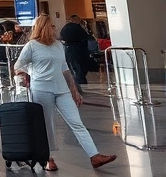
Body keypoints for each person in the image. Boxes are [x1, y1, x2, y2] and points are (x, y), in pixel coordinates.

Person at [14, 15, 117, 171]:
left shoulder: (57, 45)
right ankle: (47, 158)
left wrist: (74, 90)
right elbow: (18, 66)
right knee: (47, 125)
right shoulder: (32, 46)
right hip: (41, 89)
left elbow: (65, 68)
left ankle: (94, 156)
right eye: (52, 26)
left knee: (76, 122)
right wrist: (27, 74)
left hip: (61, 89)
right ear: (43, 28)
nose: (55, 29)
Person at [59, 15, 93, 90]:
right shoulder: (77, 27)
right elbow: (87, 37)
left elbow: (61, 38)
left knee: (73, 67)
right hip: (79, 50)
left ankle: (76, 84)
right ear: (75, 20)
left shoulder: (65, 28)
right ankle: (81, 84)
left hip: (69, 50)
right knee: (79, 68)